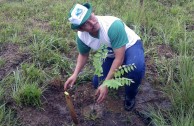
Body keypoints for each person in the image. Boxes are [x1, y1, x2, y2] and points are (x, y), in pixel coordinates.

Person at [64, 2, 145, 111]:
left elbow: (119, 58)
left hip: (130, 46)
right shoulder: (82, 37)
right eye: (86, 23)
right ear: (81, 29)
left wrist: (107, 84)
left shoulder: (112, 26)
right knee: (97, 83)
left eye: (91, 17)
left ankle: (130, 95)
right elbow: (83, 55)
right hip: (111, 53)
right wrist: (75, 74)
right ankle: (118, 73)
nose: (92, 22)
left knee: (135, 68)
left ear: (93, 13)